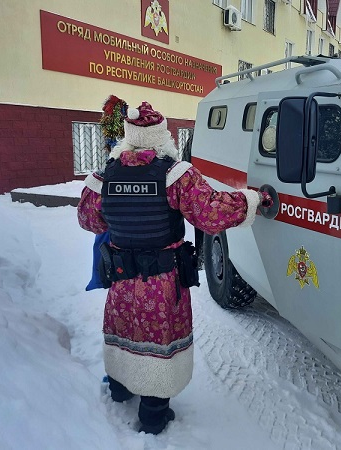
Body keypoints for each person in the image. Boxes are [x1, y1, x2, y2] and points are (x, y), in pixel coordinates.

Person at [77, 101, 272, 434]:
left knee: (124, 329)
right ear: (160, 136)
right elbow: (211, 212)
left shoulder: (105, 175)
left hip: (122, 279)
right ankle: (153, 415)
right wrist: (252, 200)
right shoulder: (174, 175)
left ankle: (121, 387)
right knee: (158, 339)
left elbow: (88, 220)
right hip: (161, 282)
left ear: (129, 136)